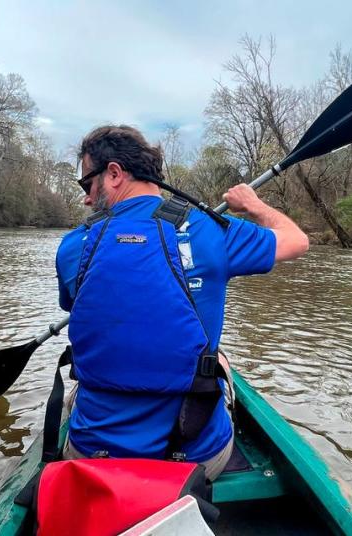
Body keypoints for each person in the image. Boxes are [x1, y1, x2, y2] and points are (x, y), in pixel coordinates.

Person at [55, 125, 308, 479]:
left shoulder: (72, 247)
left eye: (86, 184)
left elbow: (84, 310)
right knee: (217, 357)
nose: (85, 198)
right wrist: (252, 205)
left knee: (84, 382)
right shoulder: (211, 231)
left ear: (114, 174)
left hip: (95, 455)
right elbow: (297, 240)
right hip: (195, 460)